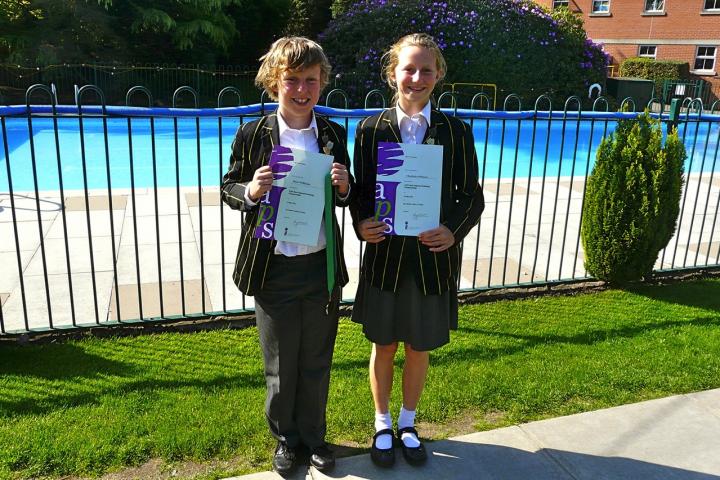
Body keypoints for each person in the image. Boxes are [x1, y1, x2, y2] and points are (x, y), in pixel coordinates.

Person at [349, 33, 484, 468]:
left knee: (418, 347)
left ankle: (408, 423)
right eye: (409, 68)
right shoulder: (370, 129)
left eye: (427, 69)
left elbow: (471, 196)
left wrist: (452, 230)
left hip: (431, 260)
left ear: (439, 75)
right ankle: (382, 423)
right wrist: (361, 222)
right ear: (393, 74)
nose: (417, 77)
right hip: (386, 258)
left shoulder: (455, 131)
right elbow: (360, 192)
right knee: (384, 345)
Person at [221, 36, 352, 476]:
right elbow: (228, 187)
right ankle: (286, 439)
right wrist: (251, 191)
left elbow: (345, 198)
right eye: (292, 80)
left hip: (319, 265)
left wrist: (344, 186)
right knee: (280, 363)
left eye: (310, 80)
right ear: (273, 82)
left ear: (322, 83)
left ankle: (315, 437)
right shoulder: (253, 134)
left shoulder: (332, 134)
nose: (301, 89)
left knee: (316, 359)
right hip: (272, 266)